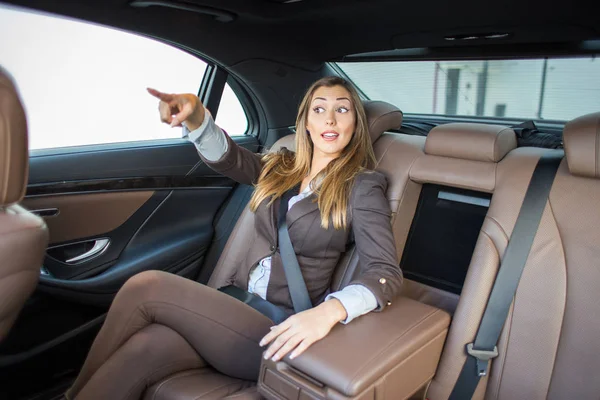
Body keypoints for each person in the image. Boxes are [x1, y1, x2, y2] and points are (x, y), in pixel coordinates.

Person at [65, 76, 402, 399]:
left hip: (274, 327)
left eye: (342, 110)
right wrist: (197, 119)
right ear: (306, 123)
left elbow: (385, 273)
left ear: (354, 125)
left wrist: (328, 312)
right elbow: (231, 158)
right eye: (319, 109)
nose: (330, 118)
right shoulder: (281, 166)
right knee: (146, 347)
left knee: (147, 286)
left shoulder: (361, 186)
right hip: (233, 305)